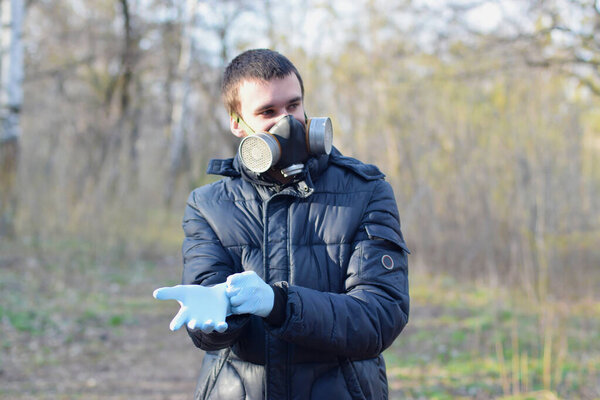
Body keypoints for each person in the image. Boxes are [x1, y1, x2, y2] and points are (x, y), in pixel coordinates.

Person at [154, 48, 410, 400]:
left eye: (293, 106)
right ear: (236, 122)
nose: (286, 122)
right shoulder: (209, 206)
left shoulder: (366, 192)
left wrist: (278, 303)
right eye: (268, 112)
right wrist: (217, 313)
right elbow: (208, 334)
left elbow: (380, 317)